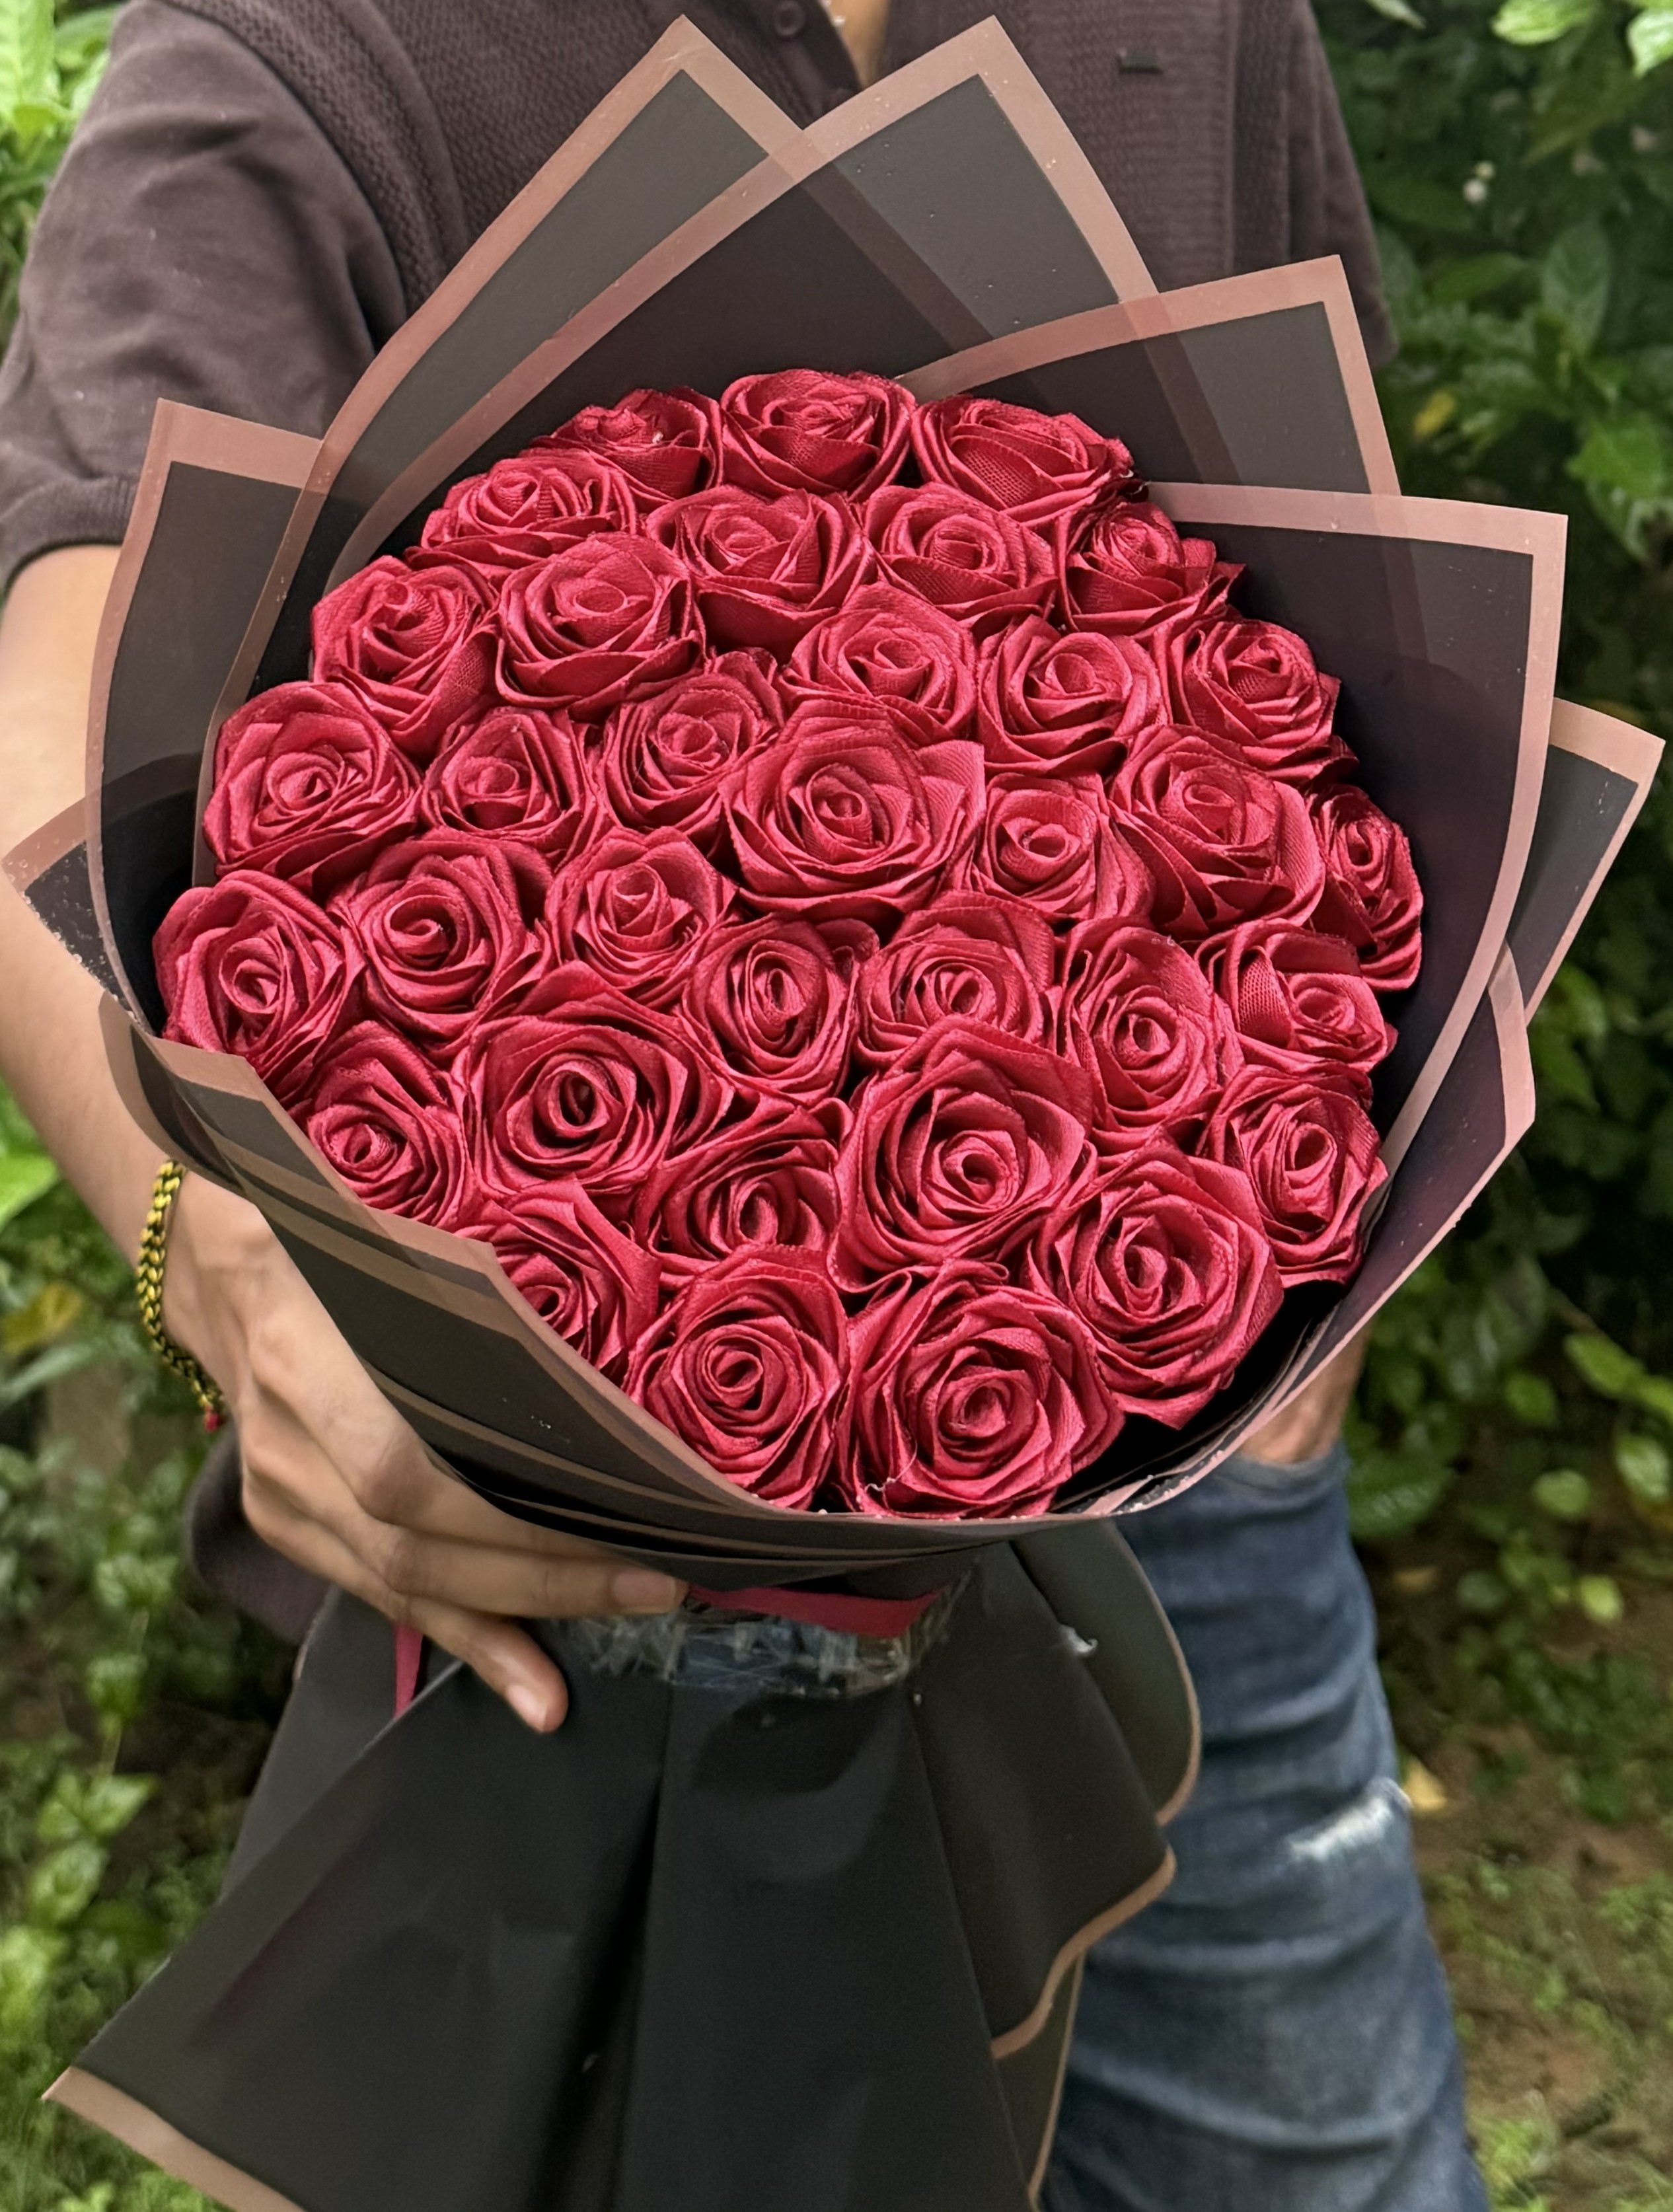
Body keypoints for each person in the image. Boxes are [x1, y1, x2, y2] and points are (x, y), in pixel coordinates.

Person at [0, 3, 1485, 2205]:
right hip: (566, 1578)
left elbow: (1337, 586)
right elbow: (65, 699)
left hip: (1188, 1512)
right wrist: (185, 1248)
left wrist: (1356, 1153)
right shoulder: (306, 42)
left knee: (1311, 2157)